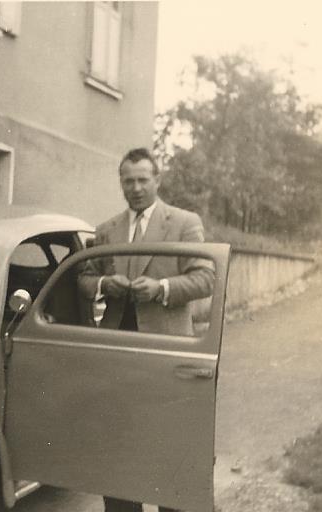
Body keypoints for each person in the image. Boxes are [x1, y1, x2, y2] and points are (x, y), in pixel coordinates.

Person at [78, 147, 214, 512]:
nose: (135, 188)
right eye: (128, 181)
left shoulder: (185, 222)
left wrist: (163, 289)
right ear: (120, 183)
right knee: (119, 447)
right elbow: (84, 279)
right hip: (117, 353)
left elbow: (205, 278)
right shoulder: (107, 229)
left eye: (142, 179)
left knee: (168, 448)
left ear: (157, 180)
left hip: (166, 352)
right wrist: (107, 284)